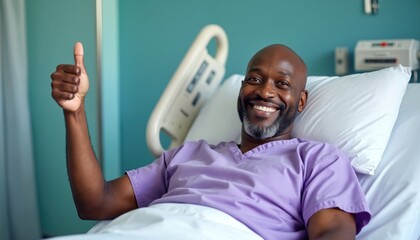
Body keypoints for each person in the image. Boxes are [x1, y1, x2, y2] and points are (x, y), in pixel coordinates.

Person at [51, 42, 371, 239]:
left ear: (301, 102)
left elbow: (332, 233)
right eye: (255, 79)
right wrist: (75, 112)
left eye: (282, 83)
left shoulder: (317, 159)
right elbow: (95, 203)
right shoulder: (188, 155)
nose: (264, 91)